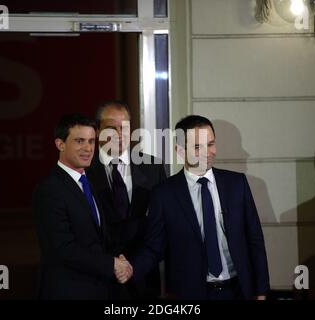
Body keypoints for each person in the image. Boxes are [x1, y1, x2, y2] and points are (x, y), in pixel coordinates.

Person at [128, 115, 270, 300]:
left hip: (237, 291)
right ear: (180, 150)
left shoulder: (237, 184)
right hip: (191, 294)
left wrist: (261, 292)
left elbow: (255, 240)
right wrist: (130, 268)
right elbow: (154, 247)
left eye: (210, 144)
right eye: (197, 147)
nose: (207, 152)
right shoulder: (163, 194)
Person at [32, 113, 132, 299]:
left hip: (98, 290)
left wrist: (119, 258)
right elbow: (63, 248)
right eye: (79, 141)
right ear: (60, 144)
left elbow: (100, 235)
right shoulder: (49, 189)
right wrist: (111, 264)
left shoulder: (89, 182)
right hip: (67, 292)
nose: (88, 148)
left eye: (91, 141)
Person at [86, 101, 166, 299]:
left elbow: (162, 227)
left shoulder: (152, 167)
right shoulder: (83, 171)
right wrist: (111, 265)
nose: (119, 134)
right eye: (111, 128)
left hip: (143, 280)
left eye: (124, 127)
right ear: (97, 131)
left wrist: (134, 266)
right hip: (97, 281)